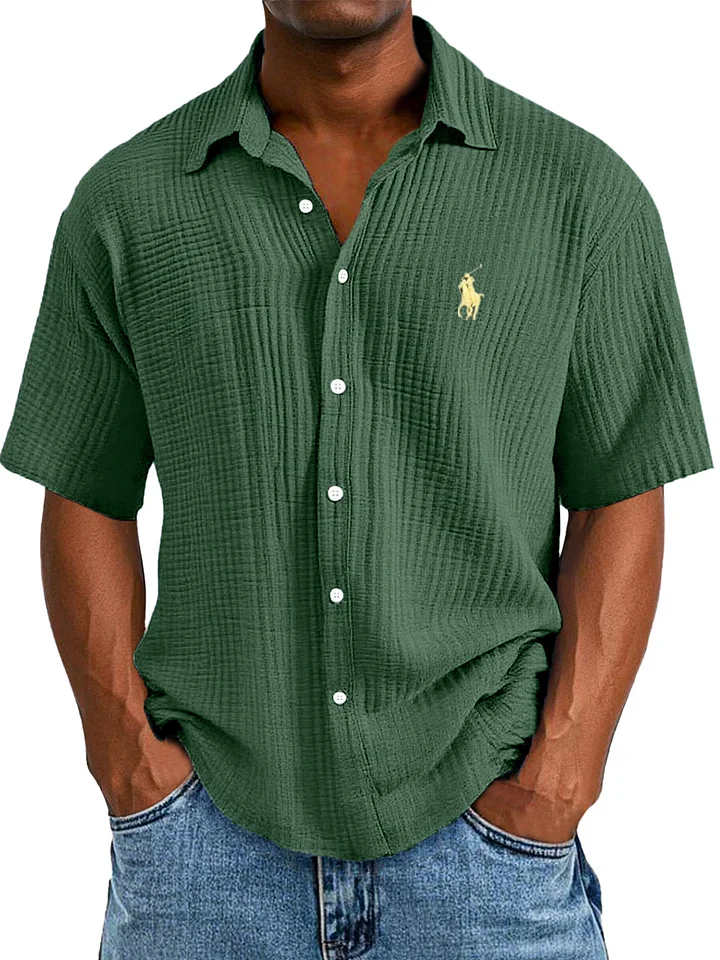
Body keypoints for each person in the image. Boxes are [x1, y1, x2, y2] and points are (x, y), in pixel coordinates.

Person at [1, 2, 713, 958]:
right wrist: (126, 760)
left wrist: (561, 775)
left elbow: (621, 485)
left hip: (490, 861)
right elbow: (85, 486)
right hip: (204, 867)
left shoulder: (579, 193)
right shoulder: (129, 203)